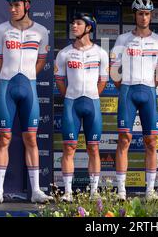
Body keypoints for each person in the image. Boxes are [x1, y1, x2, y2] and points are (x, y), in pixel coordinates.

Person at [0, 0, 53, 204]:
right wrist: (11, 76)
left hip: (29, 88)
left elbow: (42, 60)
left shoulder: (41, 31)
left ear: (27, 6)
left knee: (31, 138)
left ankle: (35, 190)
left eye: (17, 5)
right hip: (8, 86)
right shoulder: (1, 29)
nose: (12, 9)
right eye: (10, 5)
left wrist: (29, 76)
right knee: (3, 138)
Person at [110, 0, 158, 201]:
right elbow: (114, 69)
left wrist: (150, 84)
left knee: (151, 141)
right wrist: (124, 85)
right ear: (134, 15)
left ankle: (150, 191)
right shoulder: (122, 39)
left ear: (151, 15)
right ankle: (122, 191)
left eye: (147, 13)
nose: (144, 17)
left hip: (149, 92)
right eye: (141, 13)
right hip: (128, 91)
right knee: (124, 140)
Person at [54, 13, 108, 202]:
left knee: (93, 148)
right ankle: (68, 192)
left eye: (78, 23)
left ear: (89, 28)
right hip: (72, 103)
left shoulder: (101, 53)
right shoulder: (64, 53)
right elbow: (59, 80)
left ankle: (94, 191)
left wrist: (93, 95)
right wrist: (69, 95)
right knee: (69, 148)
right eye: (73, 23)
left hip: (92, 102)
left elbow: (103, 80)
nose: (74, 26)